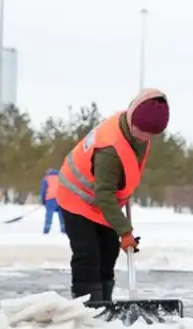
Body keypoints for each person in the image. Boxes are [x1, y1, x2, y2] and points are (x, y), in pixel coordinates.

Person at [55, 89, 170, 302]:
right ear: (131, 116)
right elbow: (104, 193)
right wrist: (125, 231)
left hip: (101, 202)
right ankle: (87, 308)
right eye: (140, 131)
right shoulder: (110, 147)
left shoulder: (138, 136)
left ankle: (104, 303)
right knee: (88, 254)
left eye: (149, 135)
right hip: (76, 198)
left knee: (108, 252)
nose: (143, 137)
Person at [40, 168, 66, 234]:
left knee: (49, 215)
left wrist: (43, 201)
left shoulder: (46, 179)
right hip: (60, 199)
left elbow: (43, 191)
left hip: (50, 199)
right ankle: (63, 229)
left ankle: (46, 229)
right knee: (62, 215)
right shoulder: (61, 178)